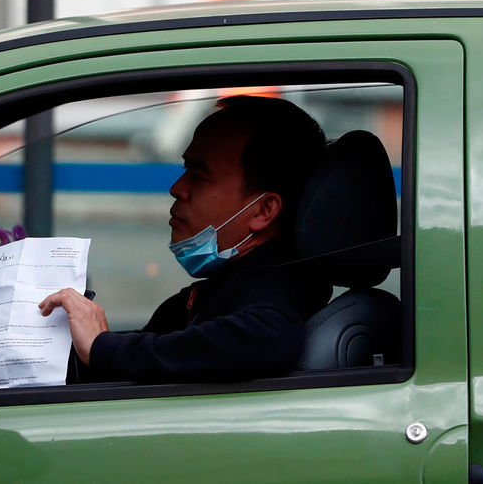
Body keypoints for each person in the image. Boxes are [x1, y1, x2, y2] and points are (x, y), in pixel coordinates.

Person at [36, 95, 331, 383]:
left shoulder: (276, 291)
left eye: (200, 176)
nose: (177, 188)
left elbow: (268, 337)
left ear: (263, 210)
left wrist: (104, 348)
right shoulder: (217, 292)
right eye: (184, 169)